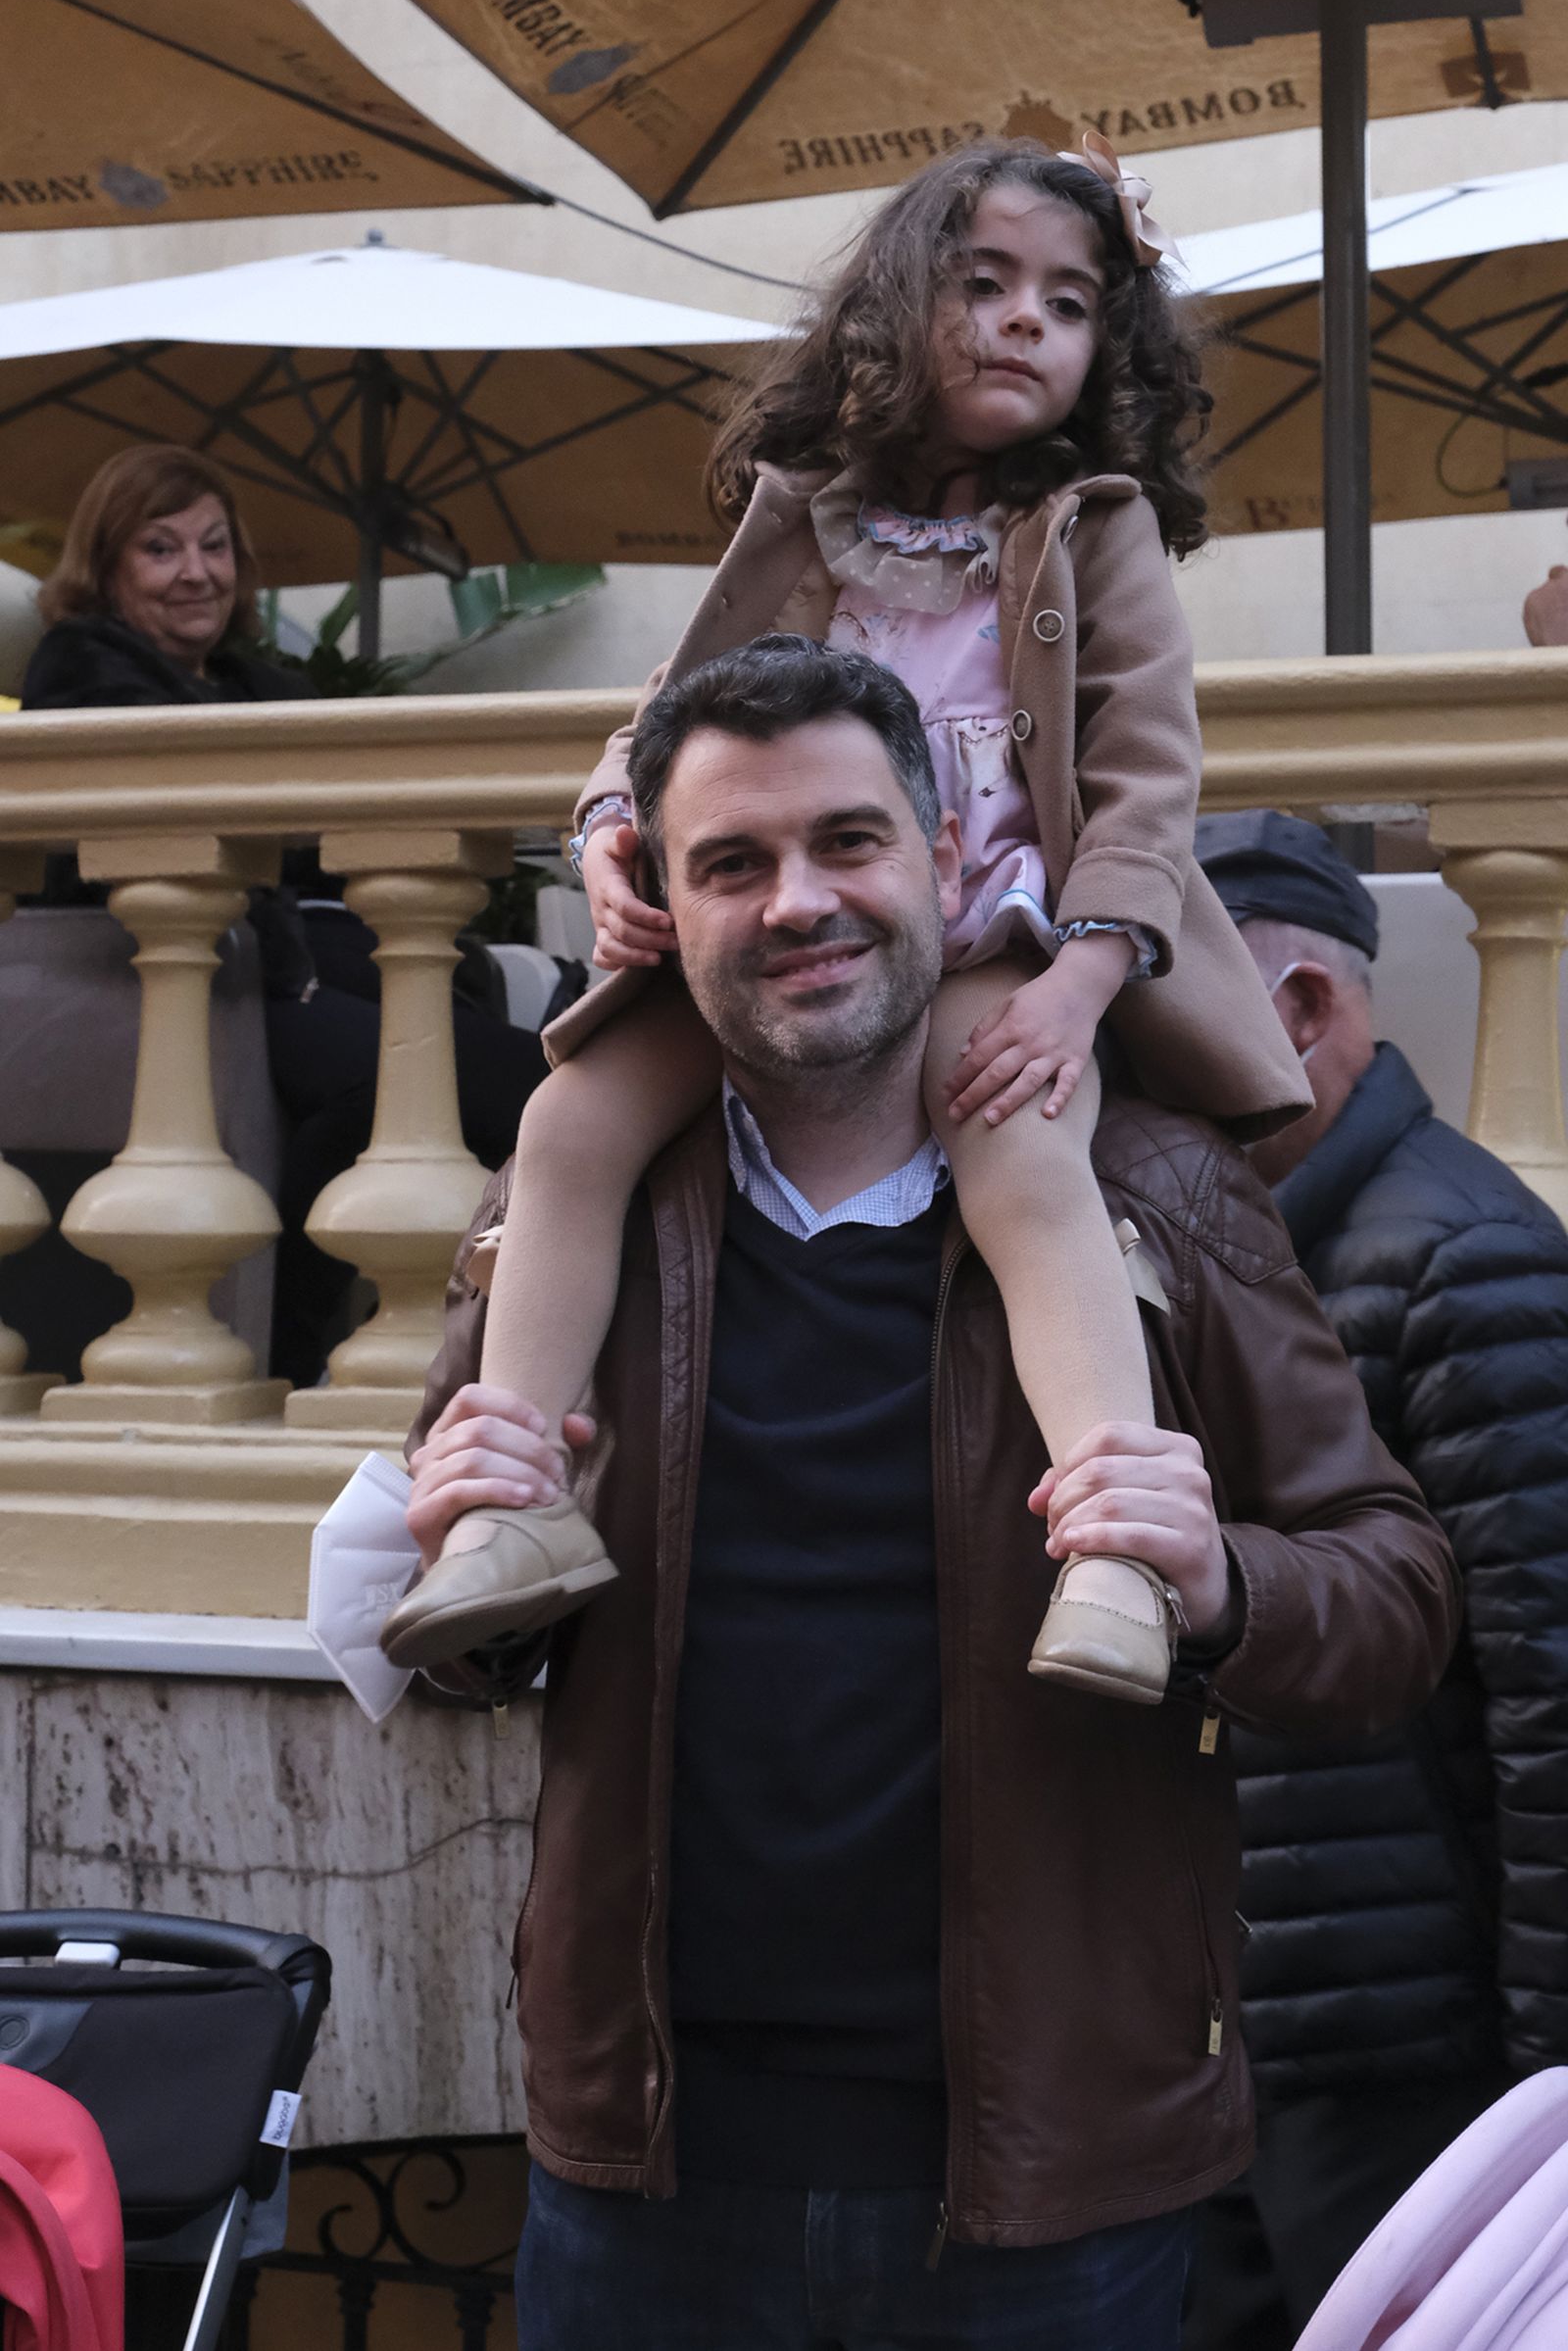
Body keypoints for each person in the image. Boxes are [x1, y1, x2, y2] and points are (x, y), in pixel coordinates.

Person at [401, 638, 1456, 2351]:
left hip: (1049, 2193)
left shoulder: (1160, 1189)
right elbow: (471, 1649)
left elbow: (1397, 1592)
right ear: (661, 902)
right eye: (731, 864)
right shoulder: (577, 1220)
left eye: (848, 841)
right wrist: (462, 1510)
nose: (798, 900)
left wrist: (1219, 1586)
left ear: (953, 860)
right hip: (650, 2178)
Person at [386, 129, 1307, 1691]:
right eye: (986, 282)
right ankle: (512, 1499)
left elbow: (1147, 784)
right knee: (569, 1125)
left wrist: (1079, 988)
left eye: (1072, 302)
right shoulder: (802, 511)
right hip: (780, 916)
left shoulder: (1096, 528)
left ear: (1108, 351)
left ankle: (1114, 1550)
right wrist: (616, 828)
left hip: (989, 920)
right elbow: (668, 715)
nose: (1028, 320)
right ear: (896, 310)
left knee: (1019, 1145)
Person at [1182, 809, 1568, 2351]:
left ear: (1305, 1012)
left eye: (1166, 1011)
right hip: (1248, 2030)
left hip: (1410, 2060)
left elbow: (1554, 1697)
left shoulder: (1463, 1258)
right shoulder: (1230, 1248)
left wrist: (1543, 2080)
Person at [22, 442, 547, 1384]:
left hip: (305, 955)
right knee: (415, 1085)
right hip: (191, 968)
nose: (197, 572)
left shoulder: (260, 683)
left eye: (215, 545)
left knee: (501, 1066)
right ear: (105, 566)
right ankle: (299, 1340)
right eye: (161, 547)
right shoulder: (83, 662)